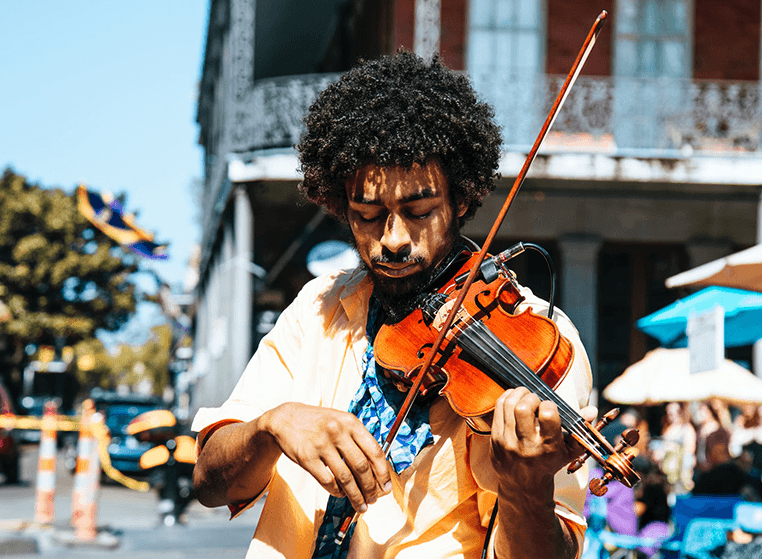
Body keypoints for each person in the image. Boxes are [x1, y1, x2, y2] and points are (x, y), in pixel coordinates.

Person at [191, 52, 598, 559]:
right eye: (367, 215)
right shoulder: (318, 306)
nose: (393, 240)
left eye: (420, 211)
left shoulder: (539, 337)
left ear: (462, 200)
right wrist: (273, 424)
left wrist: (526, 492)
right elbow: (209, 481)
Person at [653, 401, 696, 496]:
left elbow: (689, 452)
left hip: (681, 474)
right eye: (669, 413)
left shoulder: (687, 428)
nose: (671, 416)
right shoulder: (668, 428)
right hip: (667, 474)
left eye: (674, 413)